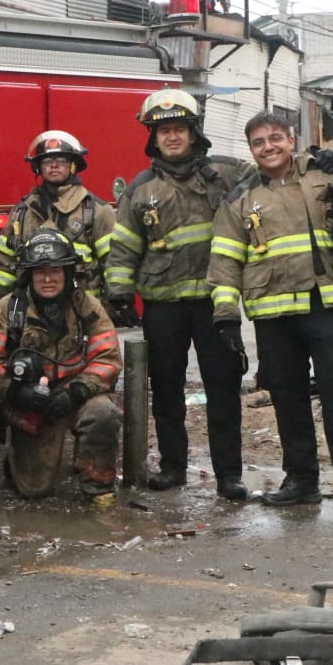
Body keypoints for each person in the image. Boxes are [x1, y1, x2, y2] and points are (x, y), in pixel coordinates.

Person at [208, 112, 333, 521]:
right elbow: (226, 261)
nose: (268, 147)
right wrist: (226, 315)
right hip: (272, 315)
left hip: (326, 306)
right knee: (289, 402)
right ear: (251, 150)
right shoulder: (241, 198)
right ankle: (301, 482)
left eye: (275, 139)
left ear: (291, 139)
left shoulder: (324, 176)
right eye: (258, 142)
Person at [104, 90, 252, 500]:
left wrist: (314, 163)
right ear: (154, 137)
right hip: (162, 305)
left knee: (222, 389)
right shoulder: (140, 190)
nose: (172, 137)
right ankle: (173, 467)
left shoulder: (227, 172)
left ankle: (229, 475)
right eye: (164, 130)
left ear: (193, 132)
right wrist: (119, 292)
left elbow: (272, 178)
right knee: (166, 391)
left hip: (213, 304)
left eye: (179, 129)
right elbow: (124, 247)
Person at [0, 229, 122, 506]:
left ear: (67, 273)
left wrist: (77, 391)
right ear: (29, 274)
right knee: (34, 490)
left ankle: (97, 485)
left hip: (75, 395)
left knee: (103, 413)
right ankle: (16, 466)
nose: (48, 279)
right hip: (30, 402)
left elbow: (108, 359)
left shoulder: (87, 307)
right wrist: (15, 392)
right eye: (40, 272)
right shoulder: (8, 310)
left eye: (55, 271)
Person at [0, 131, 116, 305]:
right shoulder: (22, 212)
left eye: (61, 161)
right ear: (38, 168)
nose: (54, 166)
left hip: (81, 310)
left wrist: (116, 302)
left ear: (73, 165)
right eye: (48, 161)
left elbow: (112, 263)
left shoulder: (96, 211)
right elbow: (5, 263)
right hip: (31, 312)